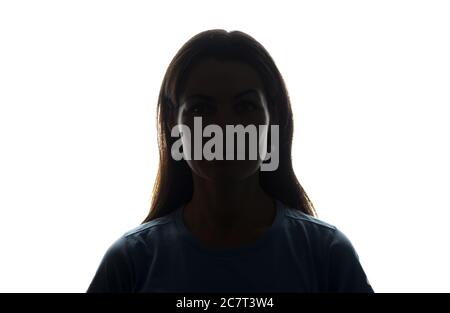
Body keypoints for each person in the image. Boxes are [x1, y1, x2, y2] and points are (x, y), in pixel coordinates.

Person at [87, 29, 374, 293]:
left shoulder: (327, 256)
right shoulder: (130, 264)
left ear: (272, 116)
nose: (225, 127)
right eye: (201, 108)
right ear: (174, 123)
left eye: (245, 106)